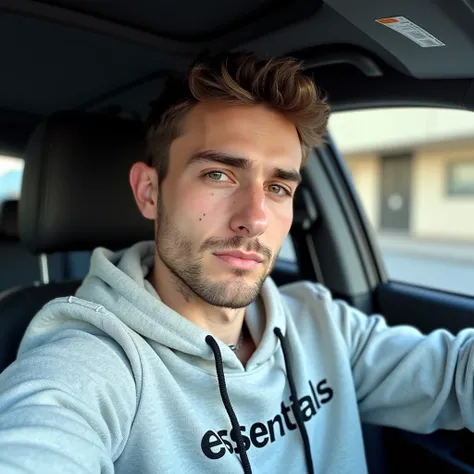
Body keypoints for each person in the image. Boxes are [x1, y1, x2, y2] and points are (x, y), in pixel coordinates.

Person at [0, 51, 473, 474]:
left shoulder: (320, 321)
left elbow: (456, 374)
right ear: (149, 192)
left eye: (278, 187)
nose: (254, 220)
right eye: (219, 174)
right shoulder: (92, 361)